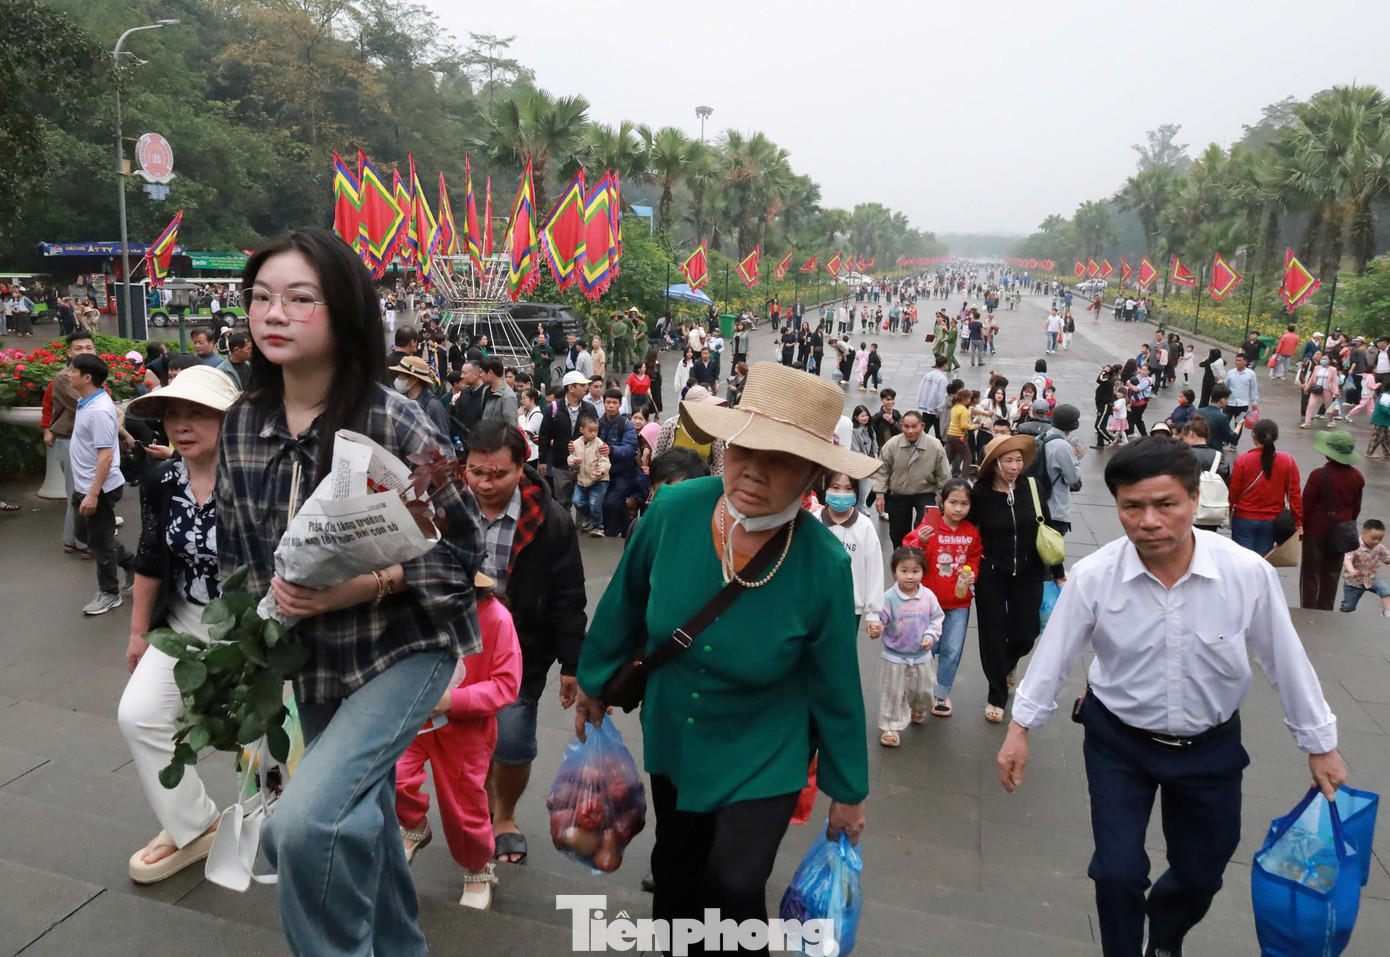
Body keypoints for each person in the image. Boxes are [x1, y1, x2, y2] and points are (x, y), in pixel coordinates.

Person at [219, 230, 484, 956]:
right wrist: (249, 645)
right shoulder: (244, 423)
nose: (274, 313)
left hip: (407, 647)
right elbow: (238, 555)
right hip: (314, 659)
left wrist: (362, 585)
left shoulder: (394, 419)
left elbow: (468, 553)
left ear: (343, 312)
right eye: (262, 298)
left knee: (302, 825)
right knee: (358, 814)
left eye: (300, 299)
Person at [997, 436, 1346, 957]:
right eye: (1132, 507)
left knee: (1203, 872)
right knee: (1116, 872)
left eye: (1165, 505)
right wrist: (1019, 729)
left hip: (1210, 746)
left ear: (1194, 502)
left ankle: (1164, 935)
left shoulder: (1245, 573)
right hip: (1119, 741)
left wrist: (1320, 743)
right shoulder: (1095, 576)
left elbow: (1285, 659)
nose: (1149, 521)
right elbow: (1055, 654)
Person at [573, 363, 873, 950]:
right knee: (678, 869)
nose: (753, 472)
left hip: (766, 745)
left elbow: (837, 687)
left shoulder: (824, 564)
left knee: (735, 883)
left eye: (780, 459)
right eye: (742, 449)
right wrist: (593, 682)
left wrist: (850, 792)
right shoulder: (675, 509)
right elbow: (624, 602)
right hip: (677, 728)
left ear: (813, 473)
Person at [118, 367, 240, 883]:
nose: (181, 426)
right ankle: (193, 825)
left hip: (256, 630)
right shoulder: (163, 478)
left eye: (197, 414)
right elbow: (150, 556)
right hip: (184, 622)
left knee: (269, 741)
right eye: (172, 415)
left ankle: (290, 835)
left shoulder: (260, 477)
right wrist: (139, 631)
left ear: (227, 420)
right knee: (139, 714)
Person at [461, 420, 587, 868]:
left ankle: (505, 816)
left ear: (522, 468)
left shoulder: (548, 521)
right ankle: (472, 810)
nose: (485, 483)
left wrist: (573, 663)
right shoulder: (447, 510)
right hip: (454, 644)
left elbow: (569, 595)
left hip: (521, 648)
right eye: (476, 472)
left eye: (498, 474)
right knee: (461, 737)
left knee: (512, 740)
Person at [396, 572, 521, 910]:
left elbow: (507, 683)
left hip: (466, 729)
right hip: (414, 717)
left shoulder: (497, 618)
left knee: (463, 806)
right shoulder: (418, 604)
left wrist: (454, 701)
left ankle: (477, 866)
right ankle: (414, 824)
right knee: (392, 777)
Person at [968, 434, 1065, 723]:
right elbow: (970, 533)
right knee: (992, 635)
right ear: (995, 464)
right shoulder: (981, 494)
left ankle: (1006, 666)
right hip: (992, 574)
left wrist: (1058, 574)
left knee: (1026, 633)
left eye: (1018, 460)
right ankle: (996, 694)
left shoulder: (1033, 488)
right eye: (1008, 460)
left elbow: (1048, 530)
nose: (1014, 466)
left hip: (1029, 572)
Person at [902, 478, 981, 718]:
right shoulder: (930, 525)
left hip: (959, 602)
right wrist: (922, 540)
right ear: (941, 502)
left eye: (964, 504)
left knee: (952, 649)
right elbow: (910, 552)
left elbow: (975, 558)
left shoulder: (971, 532)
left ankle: (941, 694)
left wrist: (972, 575)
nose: (958, 509)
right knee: (926, 647)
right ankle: (918, 692)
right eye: (953, 502)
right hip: (929, 602)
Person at [69, 354, 133, 615]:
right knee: (85, 535)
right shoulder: (88, 401)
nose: (67, 373)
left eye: (72, 370)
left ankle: (109, 592)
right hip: (85, 484)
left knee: (100, 540)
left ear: (87, 378)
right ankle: (133, 564)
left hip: (100, 488)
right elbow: (118, 413)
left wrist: (94, 494)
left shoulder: (98, 411)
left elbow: (106, 455)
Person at [871, 546, 944, 747]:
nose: (910, 576)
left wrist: (930, 635)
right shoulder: (889, 598)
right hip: (894, 655)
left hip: (922, 655)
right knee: (892, 691)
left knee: (924, 689)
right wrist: (877, 627)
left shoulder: (928, 596)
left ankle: (917, 708)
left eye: (915, 571)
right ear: (895, 572)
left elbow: (936, 618)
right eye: (904, 571)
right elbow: (880, 619)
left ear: (923, 572)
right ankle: (890, 726)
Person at [1301, 430, 1365, 610]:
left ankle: (1308, 608)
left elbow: (1306, 505)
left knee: (1311, 572)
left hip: (1316, 529)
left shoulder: (1318, 475)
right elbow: (1356, 508)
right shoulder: (1357, 477)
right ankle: (1326, 608)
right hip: (1342, 531)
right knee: (1332, 572)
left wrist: (1301, 526)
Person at [875, 410, 952, 547]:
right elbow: (883, 471)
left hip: (926, 491)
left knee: (925, 529)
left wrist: (943, 500)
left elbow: (944, 475)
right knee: (897, 531)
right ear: (901, 426)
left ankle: (921, 557)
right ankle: (900, 559)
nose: (910, 431)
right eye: (906, 427)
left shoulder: (934, 445)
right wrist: (880, 494)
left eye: (914, 427)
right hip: (899, 491)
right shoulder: (892, 445)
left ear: (922, 426)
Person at [818, 470, 885, 625]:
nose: (841, 493)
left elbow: (874, 569)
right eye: (835, 487)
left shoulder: (864, 526)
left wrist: (873, 614)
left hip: (850, 608)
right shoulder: (815, 521)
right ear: (825, 488)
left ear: (855, 492)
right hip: (816, 606)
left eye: (848, 489)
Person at [1228, 419, 1302, 556]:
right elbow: (1294, 494)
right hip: (1271, 521)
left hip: (1244, 518)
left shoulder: (1243, 460)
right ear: (1275, 437)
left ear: (1254, 437)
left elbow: (1234, 491)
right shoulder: (1288, 461)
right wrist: (1298, 521)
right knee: (1261, 562)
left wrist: (1228, 510)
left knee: (1241, 561)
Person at [1038, 405, 1083, 534]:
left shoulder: (1041, 437)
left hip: (1038, 504)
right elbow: (1072, 478)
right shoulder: (1063, 446)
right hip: (1055, 509)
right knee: (1052, 551)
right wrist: (1075, 458)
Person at [567, 411, 611, 537]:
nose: (593, 434)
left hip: (599, 480)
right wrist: (574, 461)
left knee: (594, 503)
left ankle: (598, 527)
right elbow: (570, 460)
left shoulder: (600, 444)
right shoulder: (576, 444)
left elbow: (605, 462)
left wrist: (601, 470)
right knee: (577, 501)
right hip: (582, 480)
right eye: (590, 431)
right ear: (582, 430)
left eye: (596, 431)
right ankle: (589, 518)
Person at [390, 354, 452, 439]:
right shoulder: (402, 400)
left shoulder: (433, 406)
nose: (398, 379)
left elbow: (444, 442)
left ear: (414, 379)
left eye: (401, 375)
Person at [1341, 519, 1390, 615]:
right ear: (1363, 533)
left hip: (1371, 579)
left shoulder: (1379, 547)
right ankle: (1343, 616)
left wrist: (1387, 560)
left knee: (1386, 590)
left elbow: (1387, 557)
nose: (1376, 541)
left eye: (1380, 539)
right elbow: (1347, 560)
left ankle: (1388, 613)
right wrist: (1351, 570)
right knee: (1349, 606)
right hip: (1354, 582)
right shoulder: (1355, 546)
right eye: (1373, 538)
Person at [915, 355, 950, 441]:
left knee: (923, 431)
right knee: (939, 434)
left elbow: (921, 388)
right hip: (935, 411)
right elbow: (942, 394)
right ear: (945, 365)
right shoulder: (942, 378)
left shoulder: (928, 375)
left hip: (926, 408)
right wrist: (940, 409)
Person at [1194, 385, 1239, 452]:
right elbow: (1231, 438)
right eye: (1227, 399)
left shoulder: (1197, 412)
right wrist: (1239, 426)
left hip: (1196, 449)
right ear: (1222, 400)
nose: (1228, 402)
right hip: (1214, 451)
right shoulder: (1222, 417)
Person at [1301, 354, 1341, 429]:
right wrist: (1307, 387)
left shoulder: (1332, 369)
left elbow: (1334, 382)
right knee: (1311, 405)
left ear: (1329, 360)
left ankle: (1331, 420)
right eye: (1322, 359)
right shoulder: (1317, 368)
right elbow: (1312, 378)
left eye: (1325, 359)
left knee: (1328, 406)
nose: (1323, 360)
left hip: (1327, 390)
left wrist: (1336, 392)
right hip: (1316, 389)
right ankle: (1307, 422)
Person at [1223, 353, 1259, 427]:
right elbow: (1225, 386)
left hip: (1242, 405)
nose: (1238, 362)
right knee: (1224, 423)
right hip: (1229, 404)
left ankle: (1235, 438)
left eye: (1240, 360)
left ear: (1245, 362)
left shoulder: (1251, 374)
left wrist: (1254, 402)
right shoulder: (1231, 373)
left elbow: (1253, 388)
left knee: (1238, 425)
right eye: (1236, 360)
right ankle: (1226, 438)